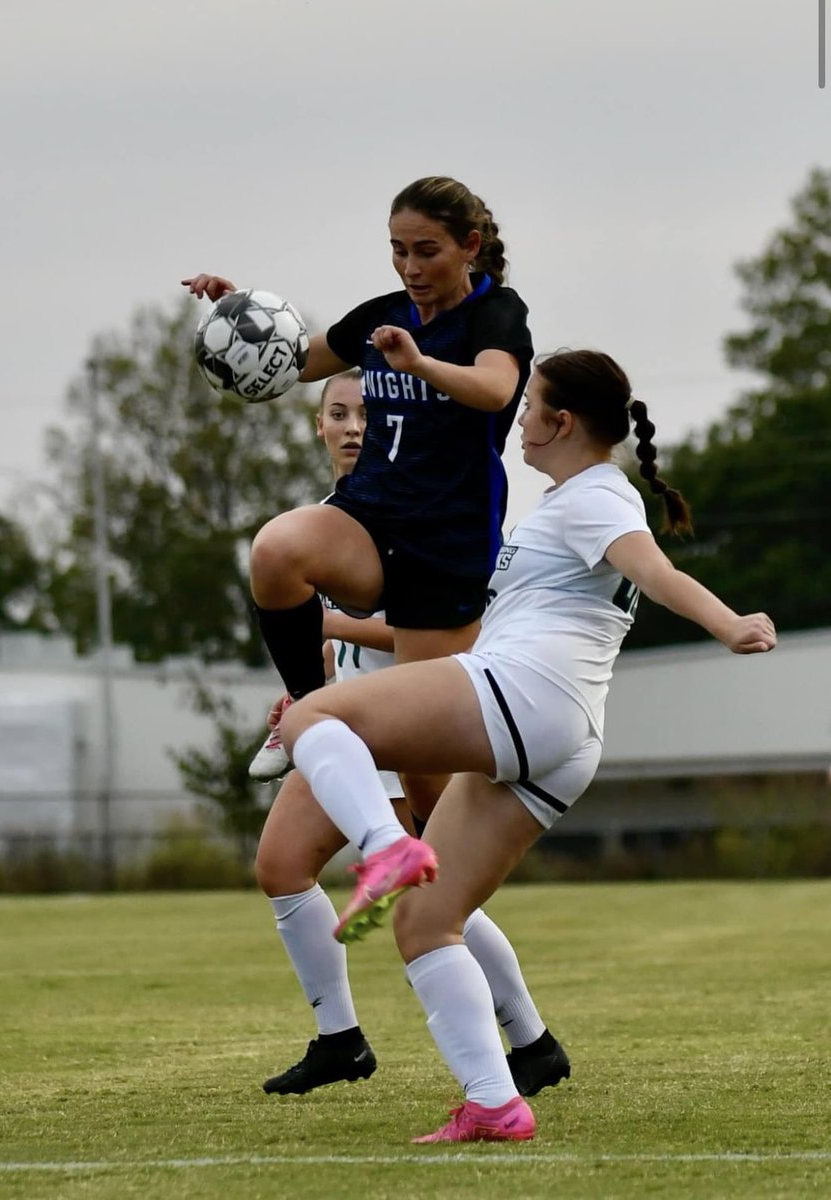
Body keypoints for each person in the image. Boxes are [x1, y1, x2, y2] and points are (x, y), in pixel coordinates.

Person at [272, 349, 777, 1143]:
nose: (519, 420)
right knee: (425, 925)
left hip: (526, 694)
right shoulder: (567, 501)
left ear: (561, 422)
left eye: (530, 405)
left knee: (310, 720)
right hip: (566, 735)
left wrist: (730, 624)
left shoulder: (596, 497)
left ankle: (382, 848)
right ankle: (495, 1102)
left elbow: (654, 567)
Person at [182, 175, 535, 821]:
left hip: (445, 546)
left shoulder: (496, 315)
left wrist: (420, 365)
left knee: (425, 785)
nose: (409, 266)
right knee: (276, 550)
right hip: (371, 518)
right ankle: (307, 707)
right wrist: (239, 318)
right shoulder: (384, 313)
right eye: (398, 249)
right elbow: (297, 360)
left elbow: (493, 388)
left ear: (469, 245)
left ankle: (449, 908)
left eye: (426, 250)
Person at [256, 370, 569, 1097]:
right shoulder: (334, 515)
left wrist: (326, 623)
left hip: (412, 721)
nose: (354, 426)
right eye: (338, 413)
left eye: (368, 413)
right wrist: (311, 681)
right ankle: (341, 1038)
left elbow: (447, 628)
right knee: (282, 866)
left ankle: (528, 1038)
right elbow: (347, 641)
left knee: (426, 896)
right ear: (317, 426)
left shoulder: (419, 507)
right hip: (352, 721)